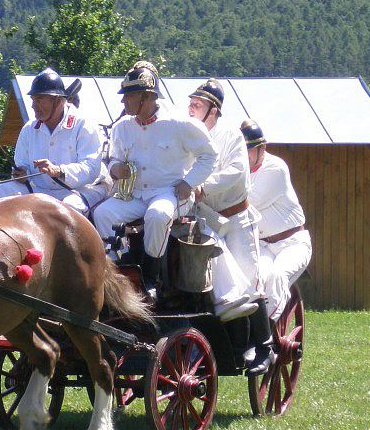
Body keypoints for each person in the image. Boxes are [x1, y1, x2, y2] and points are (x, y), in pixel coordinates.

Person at [92, 61, 217, 298]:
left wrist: (189, 183)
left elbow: (209, 156)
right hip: (135, 194)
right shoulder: (122, 128)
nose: (123, 101)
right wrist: (116, 168)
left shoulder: (180, 124)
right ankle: (114, 269)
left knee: (158, 215)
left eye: (129, 95)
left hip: (169, 193)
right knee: (103, 213)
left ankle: (151, 277)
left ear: (147, 96)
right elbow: (114, 160)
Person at [187, 80, 274, 374]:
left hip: (237, 220)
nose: (191, 108)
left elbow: (236, 173)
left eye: (198, 104)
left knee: (249, 282)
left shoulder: (231, 137)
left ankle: (264, 346)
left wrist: (202, 187)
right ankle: (228, 342)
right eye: (191, 103)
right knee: (212, 285)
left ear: (214, 110)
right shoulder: (188, 135)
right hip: (205, 218)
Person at [0, 67, 108, 215]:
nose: (34, 106)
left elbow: (91, 169)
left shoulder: (83, 125)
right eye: (33, 100)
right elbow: (22, 164)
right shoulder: (29, 129)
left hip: (81, 190)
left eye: (40, 100)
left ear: (58, 101)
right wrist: (21, 174)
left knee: (66, 209)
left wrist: (59, 171)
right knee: (3, 189)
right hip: (42, 191)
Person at [242, 118, 313, 320]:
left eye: (248, 150)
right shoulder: (241, 169)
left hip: (292, 244)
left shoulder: (275, 168)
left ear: (261, 149)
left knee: (277, 276)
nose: (244, 156)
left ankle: (265, 336)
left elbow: (248, 203)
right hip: (263, 245)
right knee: (254, 282)